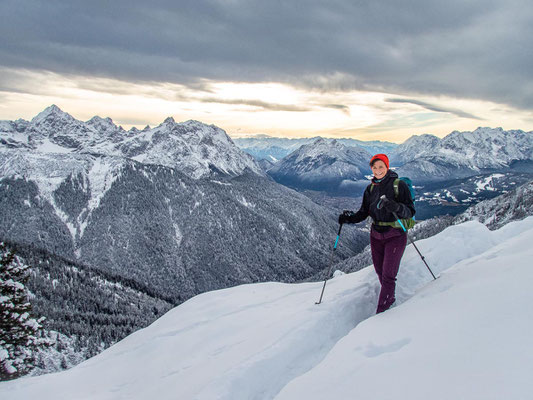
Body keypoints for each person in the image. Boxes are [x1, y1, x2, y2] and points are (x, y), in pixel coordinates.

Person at [338, 154, 415, 313]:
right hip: (376, 236)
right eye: (374, 167)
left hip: (395, 234)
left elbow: (410, 211)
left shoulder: (399, 185)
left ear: (387, 167)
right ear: (371, 169)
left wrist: (396, 207)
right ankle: (389, 297)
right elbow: (363, 213)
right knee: (380, 271)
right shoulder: (370, 189)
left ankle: (383, 312)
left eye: (381, 166)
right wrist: (348, 219)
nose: (378, 170)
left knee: (388, 275)